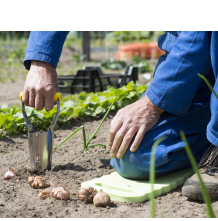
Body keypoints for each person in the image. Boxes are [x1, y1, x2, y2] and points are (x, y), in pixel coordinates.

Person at [22, 31, 218, 201]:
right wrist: (42, 60)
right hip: (193, 64)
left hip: (203, 48)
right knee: (135, 157)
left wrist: (152, 104)